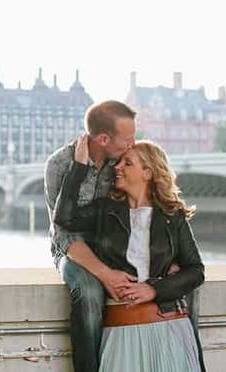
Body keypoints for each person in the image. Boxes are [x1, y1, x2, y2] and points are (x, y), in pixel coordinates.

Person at [53, 136, 206, 371]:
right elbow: (64, 218)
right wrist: (79, 167)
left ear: (148, 172)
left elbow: (196, 270)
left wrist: (153, 288)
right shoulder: (105, 211)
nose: (117, 167)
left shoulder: (172, 216)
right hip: (121, 332)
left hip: (169, 330)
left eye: (128, 163)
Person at [44, 100, 138, 372]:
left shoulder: (124, 160)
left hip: (114, 245)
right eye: (127, 139)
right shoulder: (59, 164)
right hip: (72, 249)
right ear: (103, 138)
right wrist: (106, 274)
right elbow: (62, 232)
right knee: (88, 292)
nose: (132, 145)